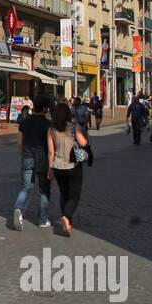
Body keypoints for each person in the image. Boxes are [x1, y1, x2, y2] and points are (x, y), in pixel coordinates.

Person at [47, 101, 89, 238]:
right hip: (73, 166)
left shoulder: (51, 130)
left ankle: (67, 223)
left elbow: (50, 152)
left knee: (63, 193)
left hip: (58, 167)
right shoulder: (73, 127)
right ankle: (66, 217)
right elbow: (83, 143)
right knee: (74, 195)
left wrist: (50, 169)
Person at [12, 95, 52, 230]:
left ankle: (18, 209)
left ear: (33, 106)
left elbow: (19, 142)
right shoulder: (48, 124)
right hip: (43, 158)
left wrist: (22, 153)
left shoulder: (24, 122)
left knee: (25, 187)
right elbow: (51, 144)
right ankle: (43, 219)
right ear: (45, 108)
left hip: (27, 156)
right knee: (44, 189)